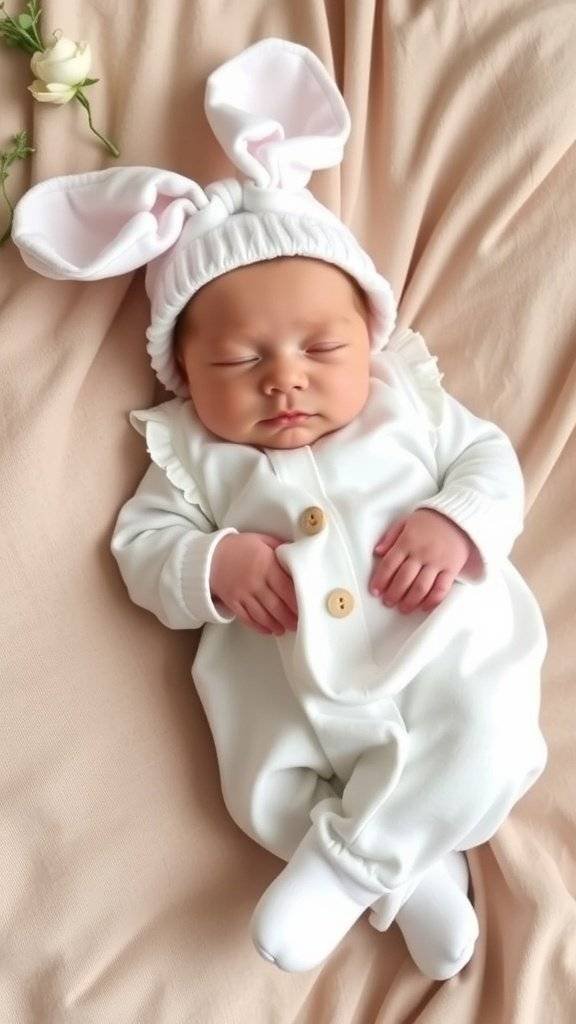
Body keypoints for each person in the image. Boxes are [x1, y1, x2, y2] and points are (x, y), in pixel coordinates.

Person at [10, 38, 547, 981]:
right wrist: (216, 565)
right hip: (287, 688)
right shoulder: (189, 452)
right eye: (240, 362)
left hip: (441, 650)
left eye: (322, 349)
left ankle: (348, 871)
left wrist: (455, 520)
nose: (285, 381)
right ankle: (412, 872)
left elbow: (489, 461)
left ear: (369, 339)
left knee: (493, 741)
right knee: (262, 788)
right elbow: (142, 549)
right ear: (186, 375)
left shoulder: (408, 402)